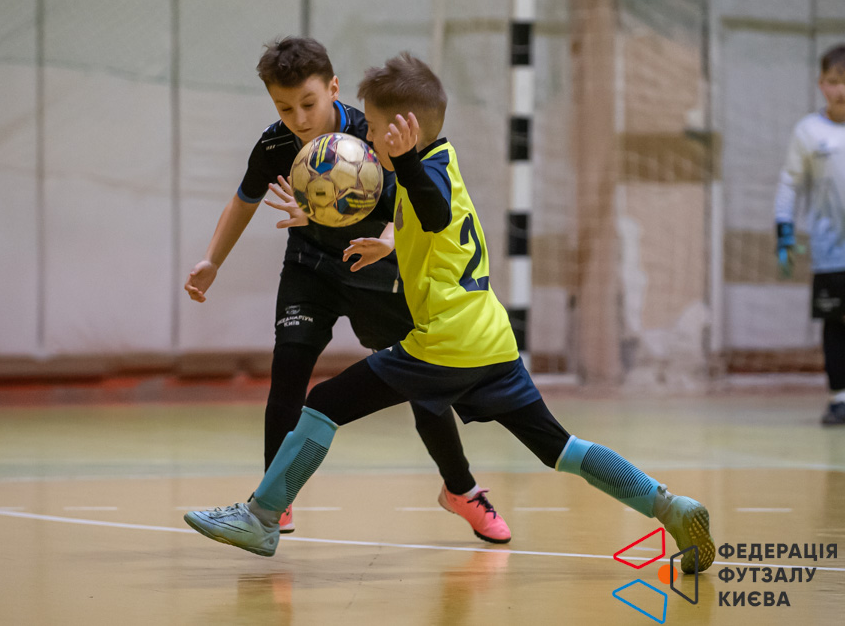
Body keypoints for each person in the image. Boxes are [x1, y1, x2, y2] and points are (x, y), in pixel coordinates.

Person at [183, 53, 716, 574]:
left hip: (445, 342)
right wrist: (359, 224)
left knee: (323, 405)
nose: (367, 140)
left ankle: (263, 517)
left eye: (376, 132)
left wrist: (404, 163)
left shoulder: (422, 175)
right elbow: (411, 213)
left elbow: (432, 210)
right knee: (560, 447)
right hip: (492, 340)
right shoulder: (443, 160)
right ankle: (669, 505)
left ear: (404, 135)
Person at [183, 37, 509, 542]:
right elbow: (244, 200)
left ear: (333, 88)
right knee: (288, 373)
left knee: (420, 382)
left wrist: (386, 240)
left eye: (308, 103)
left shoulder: (372, 135)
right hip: (309, 268)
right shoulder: (275, 145)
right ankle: (274, 503)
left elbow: (412, 203)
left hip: (372, 267)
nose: (298, 118)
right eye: (284, 107)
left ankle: (461, 490)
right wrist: (212, 260)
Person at [774, 43, 845, 426]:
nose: (841, 90)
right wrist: (783, 229)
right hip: (830, 252)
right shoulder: (808, 131)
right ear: (821, 84)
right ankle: (839, 398)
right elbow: (790, 182)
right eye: (834, 81)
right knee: (836, 325)